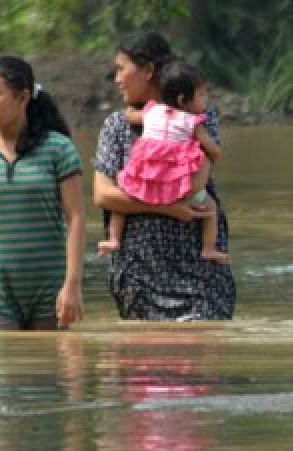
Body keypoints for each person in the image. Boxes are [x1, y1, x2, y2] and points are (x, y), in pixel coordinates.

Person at [94, 31, 236, 321]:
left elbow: (202, 173)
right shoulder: (117, 125)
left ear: (148, 70)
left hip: (199, 272)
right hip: (140, 274)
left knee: (200, 360)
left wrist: (140, 198)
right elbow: (103, 195)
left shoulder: (198, 114)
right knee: (146, 364)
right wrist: (167, 208)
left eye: (122, 69)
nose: (117, 79)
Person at [0, 55, 85, 331]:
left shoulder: (58, 149)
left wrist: (72, 285)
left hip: (50, 290)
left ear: (22, 97)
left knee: (47, 371)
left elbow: (77, 218)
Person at [99, 60, 228, 265]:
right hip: (177, 187)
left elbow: (130, 116)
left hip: (146, 181)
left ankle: (113, 239)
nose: (206, 100)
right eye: (202, 95)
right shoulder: (191, 122)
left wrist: (129, 112)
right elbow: (213, 150)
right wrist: (213, 154)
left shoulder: (152, 112)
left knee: (120, 204)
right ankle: (209, 249)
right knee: (211, 208)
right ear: (182, 100)